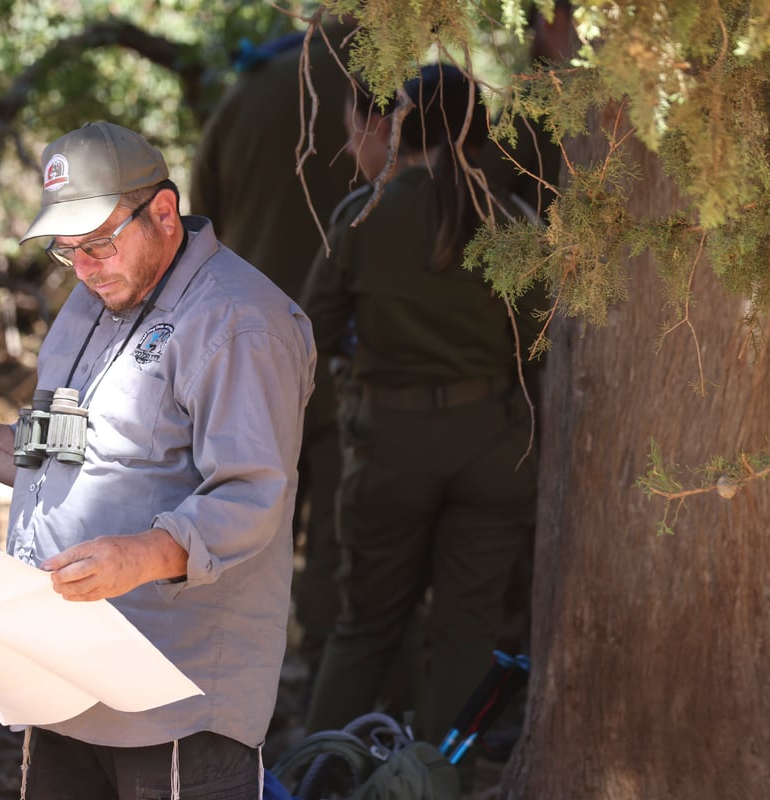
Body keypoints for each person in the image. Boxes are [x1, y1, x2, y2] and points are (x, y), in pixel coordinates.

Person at [0, 121, 315, 799]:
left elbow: (251, 497)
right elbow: (60, 455)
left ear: (163, 212)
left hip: (171, 698)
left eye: (99, 242)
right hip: (66, 674)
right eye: (66, 249)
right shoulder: (93, 300)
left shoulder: (237, 322)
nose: (83, 266)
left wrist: (137, 557)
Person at [300, 64, 541, 747]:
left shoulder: (365, 216)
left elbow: (306, 331)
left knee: (366, 627)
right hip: (494, 443)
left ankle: (309, 781)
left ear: (405, 124)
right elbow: (543, 339)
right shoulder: (511, 219)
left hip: (391, 444)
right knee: (467, 632)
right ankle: (438, 784)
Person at [189, 12, 356, 687]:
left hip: (250, 351)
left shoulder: (244, 94)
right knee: (340, 528)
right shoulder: (389, 93)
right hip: (348, 348)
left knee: (246, 506)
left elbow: (201, 224)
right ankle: (327, 670)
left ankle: (232, 671)